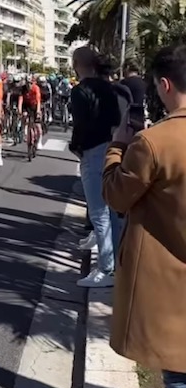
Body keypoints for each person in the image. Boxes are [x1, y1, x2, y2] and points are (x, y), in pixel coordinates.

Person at [102, 44, 186, 388]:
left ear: (165, 85)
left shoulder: (153, 142)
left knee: (179, 376)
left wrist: (118, 146)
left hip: (170, 281)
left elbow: (116, 196)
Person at [70, 47, 123, 288]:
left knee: (98, 213)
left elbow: (80, 124)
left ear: (76, 64)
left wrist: (76, 146)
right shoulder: (108, 88)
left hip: (91, 151)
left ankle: (105, 269)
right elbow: (115, 120)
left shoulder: (80, 91)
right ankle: (116, 264)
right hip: (110, 149)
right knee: (111, 211)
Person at [19, 75, 43, 149]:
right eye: (27, 83)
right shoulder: (23, 88)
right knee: (24, 116)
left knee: (38, 125)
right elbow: (20, 99)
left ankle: (39, 141)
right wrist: (19, 110)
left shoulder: (36, 88)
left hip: (34, 105)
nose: (29, 85)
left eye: (30, 83)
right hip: (26, 105)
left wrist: (38, 111)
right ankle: (24, 131)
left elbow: (38, 101)